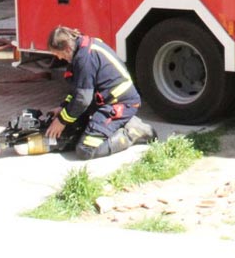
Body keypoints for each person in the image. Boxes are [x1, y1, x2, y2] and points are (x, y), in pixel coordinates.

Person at [43, 25, 156, 159]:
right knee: (76, 129)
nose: (60, 58)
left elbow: (82, 100)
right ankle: (122, 124)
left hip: (120, 104)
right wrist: (63, 107)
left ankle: (133, 132)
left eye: (59, 54)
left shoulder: (84, 59)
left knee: (86, 149)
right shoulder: (82, 48)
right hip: (107, 101)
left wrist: (61, 121)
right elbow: (79, 89)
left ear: (67, 48)